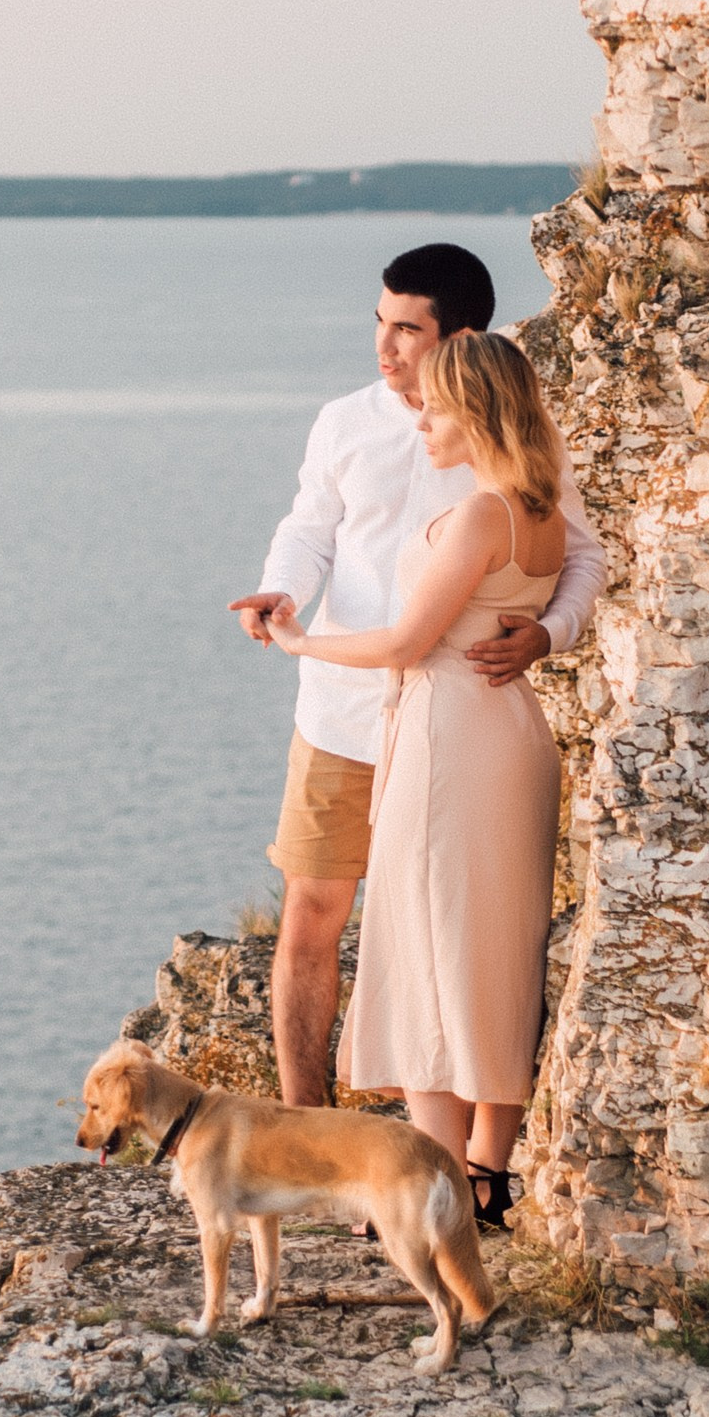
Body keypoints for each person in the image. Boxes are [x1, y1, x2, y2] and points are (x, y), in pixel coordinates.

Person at [229, 243, 602, 1183]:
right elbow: (309, 526)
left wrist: (548, 635)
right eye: (380, 324)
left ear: (460, 339)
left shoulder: (502, 433)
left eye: (408, 330)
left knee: (442, 932)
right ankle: (308, 1140)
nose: (386, 350)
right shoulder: (343, 421)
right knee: (313, 916)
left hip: (441, 724)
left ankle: (447, 1170)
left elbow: (583, 553)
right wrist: (282, 594)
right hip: (341, 716)